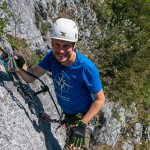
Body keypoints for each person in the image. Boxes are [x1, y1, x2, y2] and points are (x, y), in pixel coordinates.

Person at [15, 18, 105, 150]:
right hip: (68, 115)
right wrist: (21, 65)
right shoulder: (51, 57)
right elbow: (31, 77)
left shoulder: (86, 67)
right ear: (51, 43)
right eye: (57, 44)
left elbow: (100, 99)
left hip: (84, 117)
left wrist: (82, 124)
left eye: (66, 46)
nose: (61, 51)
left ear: (74, 45)